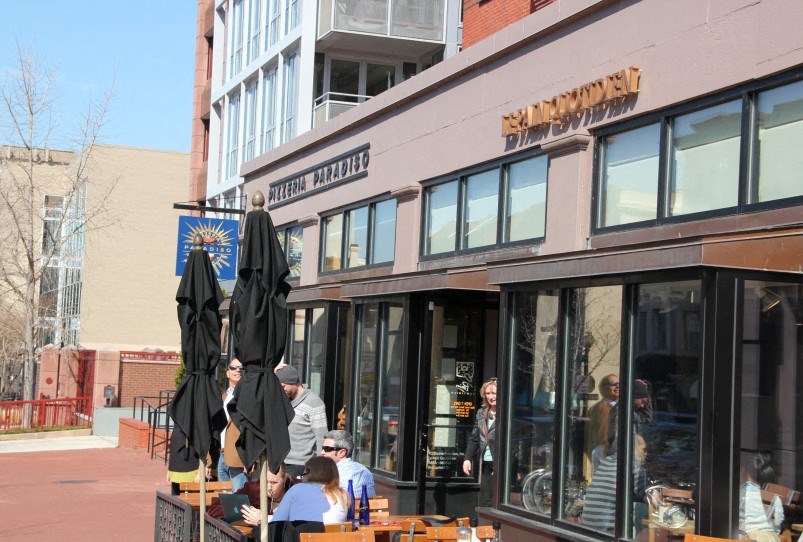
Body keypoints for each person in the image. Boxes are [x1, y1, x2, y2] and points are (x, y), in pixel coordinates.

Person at [582, 434, 647, 533]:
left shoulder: (605, 462)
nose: (646, 454)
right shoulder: (632, 466)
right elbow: (649, 498)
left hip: (587, 529)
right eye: (644, 450)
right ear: (632, 449)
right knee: (645, 511)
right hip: (608, 533)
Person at [276, 365, 328, 480]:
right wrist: (272, 371)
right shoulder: (282, 400)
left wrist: (320, 468)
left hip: (301, 465)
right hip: (280, 463)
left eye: (283, 386)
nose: (281, 390)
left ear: (293, 382)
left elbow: (321, 437)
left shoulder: (314, 402)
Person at [209, 463, 293, 521]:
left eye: (274, 483)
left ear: (284, 479)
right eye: (265, 482)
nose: (269, 487)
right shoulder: (253, 489)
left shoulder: (295, 491)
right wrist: (246, 513)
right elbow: (215, 508)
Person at [463, 378, 497, 507]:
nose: (491, 397)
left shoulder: (507, 413)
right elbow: (475, 438)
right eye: (488, 393)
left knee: (499, 501)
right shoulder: (481, 413)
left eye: (494, 393)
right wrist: (467, 458)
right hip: (487, 463)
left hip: (501, 464)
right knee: (486, 501)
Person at [219, 358, 249, 491]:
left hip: (238, 457)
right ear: (227, 373)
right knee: (224, 498)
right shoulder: (222, 397)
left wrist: (249, 458)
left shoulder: (248, 397)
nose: (238, 370)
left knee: (239, 497)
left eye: (241, 368)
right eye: (233, 367)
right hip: (221, 455)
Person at [739, 452, 784, 539]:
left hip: (746, 537)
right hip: (769, 538)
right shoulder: (775, 497)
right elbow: (778, 522)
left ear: (745, 472)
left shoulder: (741, 493)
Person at [321, 429, 376, 498]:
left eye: (327, 449)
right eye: (322, 448)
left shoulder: (336, 475)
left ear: (342, 453)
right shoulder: (365, 470)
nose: (322, 452)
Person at [166, 425, 213, 495]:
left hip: (192, 471)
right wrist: (169, 469)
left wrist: (201, 470)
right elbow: (174, 446)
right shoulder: (178, 424)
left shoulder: (195, 424)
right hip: (175, 471)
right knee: (176, 498)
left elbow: (204, 444)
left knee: (191, 498)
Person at [586, 374, 619, 471]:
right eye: (614, 384)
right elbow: (604, 435)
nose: (618, 386)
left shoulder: (611, 406)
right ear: (603, 389)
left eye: (619, 384)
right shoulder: (605, 408)